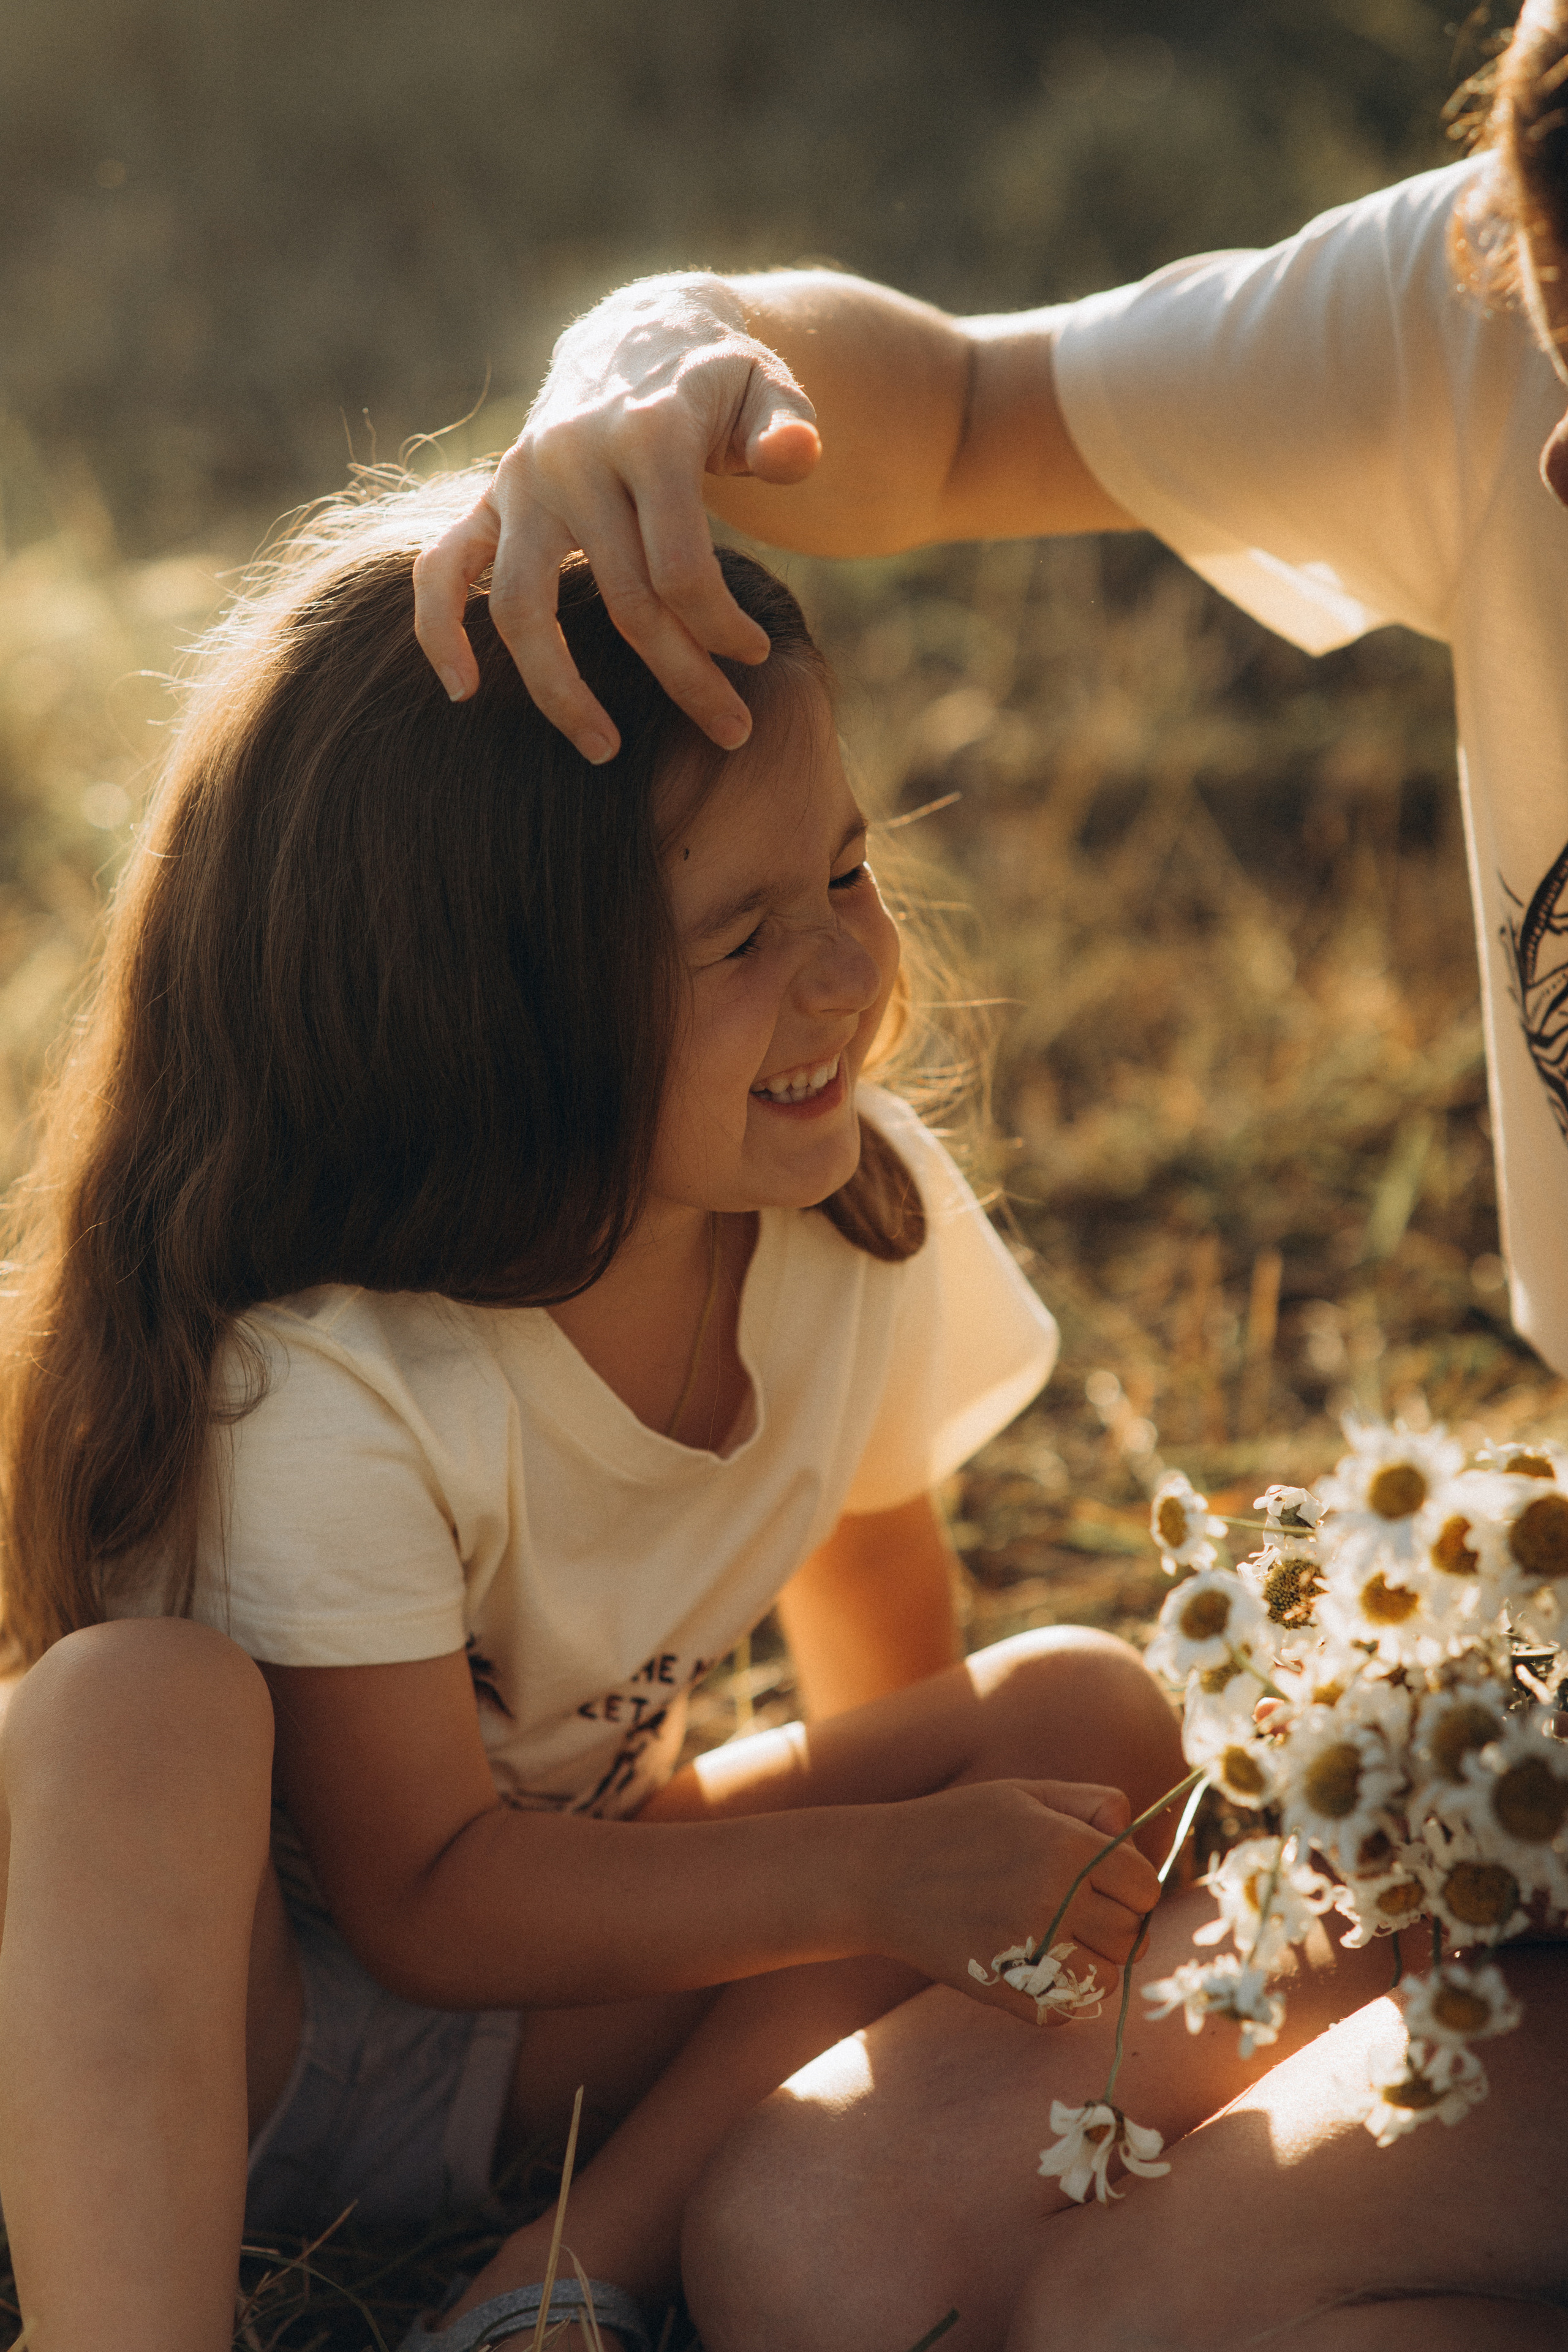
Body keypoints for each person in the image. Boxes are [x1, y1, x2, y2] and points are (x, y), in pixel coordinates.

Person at [407, 4, 1568, 2346]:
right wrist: (642, 367)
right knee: (818, 2254)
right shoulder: (1477, 330)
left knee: (1160, 2320)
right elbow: (944, 411)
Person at [0, 480, 1226, 2352]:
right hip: (198, 2026)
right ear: (478, 1015)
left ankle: (556, 2285)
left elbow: (886, 1651)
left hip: (545, 2032)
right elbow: (421, 1899)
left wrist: (941, 1869)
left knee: (1078, 1716)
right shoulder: (325, 1380)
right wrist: (881, 1877)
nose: (840, 969)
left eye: (845, 870)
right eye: (737, 936)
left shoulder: (847, 1218)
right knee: (127, 1714)